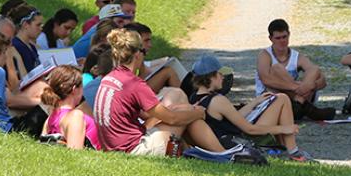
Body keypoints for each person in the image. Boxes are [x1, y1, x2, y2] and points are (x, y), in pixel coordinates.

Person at [94, 28, 225, 155]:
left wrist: (179, 108)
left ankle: (199, 151)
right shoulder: (133, 83)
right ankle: (223, 153)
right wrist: (198, 113)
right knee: (188, 116)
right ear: (137, 54)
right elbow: (172, 119)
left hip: (113, 147)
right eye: (143, 51)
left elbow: (144, 114)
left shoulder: (110, 78)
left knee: (183, 108)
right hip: (134, 150)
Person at [190, 54, 314, 162]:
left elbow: (234, 116)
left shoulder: (194, 98)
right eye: (220, 73)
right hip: (242, 140)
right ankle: (293, 152)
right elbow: (250, 130)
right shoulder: (218, 100)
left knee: (280, 98)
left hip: (227, 139)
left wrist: (255, 102)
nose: (223, 77)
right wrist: (284, 128)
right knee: (282, 99)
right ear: (211, 77)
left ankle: (288, 149)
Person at [255, 19, 335, 121]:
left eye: (284, 37)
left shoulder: (297, 57)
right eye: (278, 38)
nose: (282, 41)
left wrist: (310, 86)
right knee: (277, 68)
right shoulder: (265, 55)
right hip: (270, 97)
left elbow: (322, 80)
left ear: (289, 34)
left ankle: (300, 104)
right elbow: (266, 80)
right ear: (271, 38)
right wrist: (295, 87)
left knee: (314, 69)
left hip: (295, 98)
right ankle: (309, 109)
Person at [41, 65, 101, 150]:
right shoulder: (75, 116)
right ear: (74, 89)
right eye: (81, 87)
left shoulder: (51, 118)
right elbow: (75, 153)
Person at [124, 22, 185, 93]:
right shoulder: (135, 56)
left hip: (136, 88)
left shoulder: (135, 54)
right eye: (146, 41)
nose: (150, 45)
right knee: (168, 72)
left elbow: (143, 74)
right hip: (133, 93)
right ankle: (185, 98)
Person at [8, 4, 44, 78]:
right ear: (25, 25)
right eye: (38, 25)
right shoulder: (17, 46)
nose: (41, 28)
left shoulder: (31, 46)